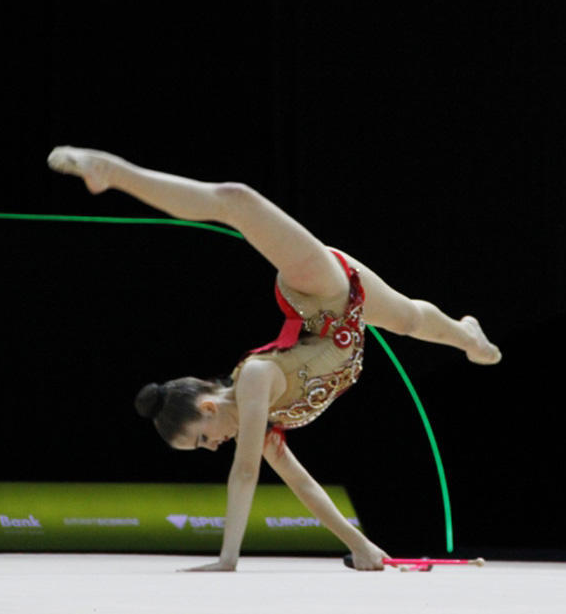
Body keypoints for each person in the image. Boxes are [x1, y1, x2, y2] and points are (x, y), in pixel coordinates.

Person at [47, 146, 502, 572]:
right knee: (408, 320)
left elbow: (245, 472)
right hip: (345, 315)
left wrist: (228, 558)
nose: (213, 447)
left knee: (237, 201)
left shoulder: (254, 381)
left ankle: (113, 172)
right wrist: (361, 545)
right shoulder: (262, 424)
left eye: (201, 440)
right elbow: (303, 485)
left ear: (208, 407)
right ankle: (468, 336)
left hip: (317, 293)